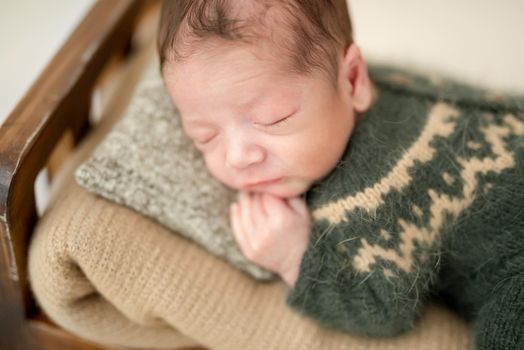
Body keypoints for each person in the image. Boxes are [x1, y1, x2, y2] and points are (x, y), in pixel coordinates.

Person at [157, 1, 524, 349]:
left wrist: (295, 258)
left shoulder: (374, 189)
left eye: (274, 119)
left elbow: (383, 309)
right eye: (204, 136)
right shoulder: (380, 81)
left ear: (353, 79)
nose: (238, 156)